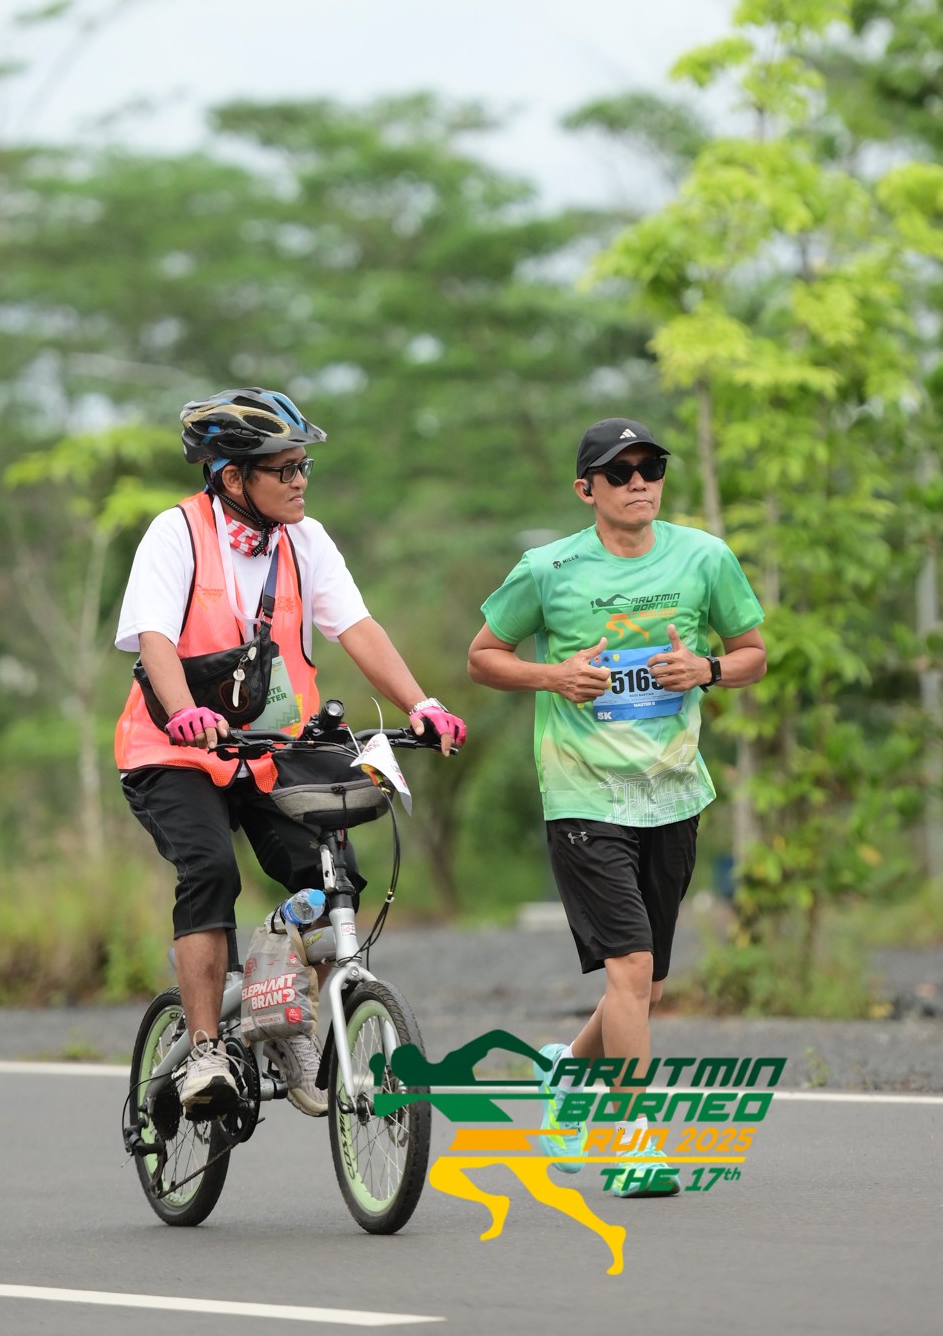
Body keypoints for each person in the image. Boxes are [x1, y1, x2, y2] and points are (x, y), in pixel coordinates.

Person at [115, 386, 466, 1119]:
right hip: (173, 751)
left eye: (304, 465)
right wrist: (185, 713)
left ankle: (290, 1017)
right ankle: (205, 1050)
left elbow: (358, 628)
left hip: (271, 751)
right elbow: (155, 638)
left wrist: (421, 705)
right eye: (284, 469)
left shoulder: (306, 540)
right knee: (210, 872)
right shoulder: (176, 534)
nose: (301, 480)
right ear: (232, 477)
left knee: (332, 876)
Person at [466, 416, 765, 1196]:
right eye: (620, 472)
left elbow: (753, 655)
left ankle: (566, 1072)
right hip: (583, 794)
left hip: (673, 795)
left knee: (646, 988)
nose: (639, 483)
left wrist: (705, 670)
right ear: (586, 488)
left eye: (650, 468)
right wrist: (555, 676)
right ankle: (635, 1144)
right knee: (629, 970)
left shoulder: (705, 557)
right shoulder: (547, 569)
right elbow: (484, 658)